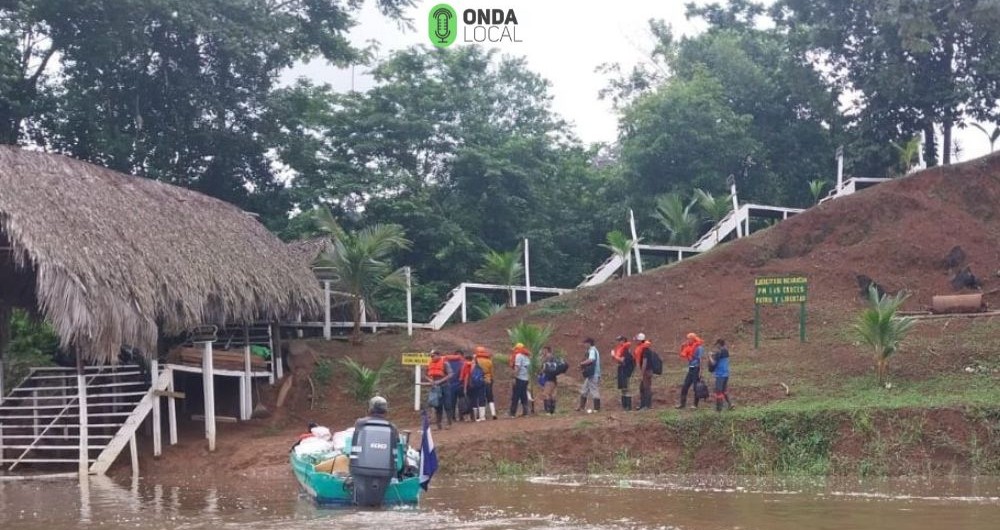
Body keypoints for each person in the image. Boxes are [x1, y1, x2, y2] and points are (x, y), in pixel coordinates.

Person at [424, 349, 454, 429]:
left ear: (438, 355)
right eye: (431, 356)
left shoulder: (445, 363)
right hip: (435, 387)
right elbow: (425, 374)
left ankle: (449, 423)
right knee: (437, 405)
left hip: (445, 386)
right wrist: (430, 380)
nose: (432, 358)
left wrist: (440, 380)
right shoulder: (430, 364)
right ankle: (439, 424)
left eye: (433, 356)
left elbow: (451, 374)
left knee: (447, 405)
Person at [678, 332, 704, 409]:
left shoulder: (699, 348)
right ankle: (682, 404)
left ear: (693, 339)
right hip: (691, 368)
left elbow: (701, 359)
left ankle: (695, 405)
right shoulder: (689, 347)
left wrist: (700, 371)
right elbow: (683, 354)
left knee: (696, 387)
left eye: (688, 339)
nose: (687, 340)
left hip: (696, 368)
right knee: (685, 386)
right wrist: (682, 347)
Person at [709, 338, 734, 412]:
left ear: (719, 344)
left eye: (717, 345)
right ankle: (730, 404)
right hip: (726, 374)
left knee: (718, 391)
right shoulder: (726, 350)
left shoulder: (719, 352)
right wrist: (713, 354)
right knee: (724, 390)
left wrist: (710, 356)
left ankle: (719, 409)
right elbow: (719, 356)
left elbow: (713, 363)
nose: (717, 347)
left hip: (720, 375)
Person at [577, 338, 601, 413]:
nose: (584, 345)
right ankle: (581, 407)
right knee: (584, 390)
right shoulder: (593, 350)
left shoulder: (592, 350)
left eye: (585, 343)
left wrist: (582, 363)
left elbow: (591, 359)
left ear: (589, 343)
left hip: (593, 374)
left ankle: (597, 408)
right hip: (591, 374)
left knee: (594, 390)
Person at [611, 335, 634, 411]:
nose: (618, 342)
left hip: (626, 370)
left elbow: (622, 360)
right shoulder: (621, 349)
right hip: (621, 370)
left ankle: (628, 406)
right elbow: (619, 360)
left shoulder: (626, 350)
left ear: (624, 340)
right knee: (623, 388)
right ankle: (624, 406)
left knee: (626, 387)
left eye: (620, 340)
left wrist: (614, 356)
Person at [474, 346, 497, 420]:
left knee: (481, 397)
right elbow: (492, 372)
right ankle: (493, 413)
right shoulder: (489, 361)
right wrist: (492, 379)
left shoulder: (475, 360)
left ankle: (482, 416)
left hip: (479, 380)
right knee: (490, 397)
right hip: (488, 380)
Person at [509, 343, 532, 417]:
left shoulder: (518, 356)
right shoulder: (526, 356)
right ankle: (526, 413)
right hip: (526, 379)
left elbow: (517, 368)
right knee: (523, 395)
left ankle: (512, 413)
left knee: (515, 395)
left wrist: (514, 377)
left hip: (519, 378)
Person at [633, 333, 654, 410]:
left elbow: (644, 362)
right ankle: (643, 405)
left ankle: (647, 406)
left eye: (637, 340)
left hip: (647, 371)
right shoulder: (643, 348)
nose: (636, 342)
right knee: (642, 388)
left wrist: (642, 372)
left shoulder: (645, 350)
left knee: (646, 388)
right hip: (645, 371)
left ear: (641, 340)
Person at [444, 350, 465, 423]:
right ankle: (461, 416)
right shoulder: (463, 362)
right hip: (460, 385)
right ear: (462, 355)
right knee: (461, 400)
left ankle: (452, 417)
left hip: (450, 385)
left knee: (452, 402)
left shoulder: (448, 362)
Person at [539, 346, 559, 415]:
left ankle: (548, 411)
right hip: (553, 377)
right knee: (551, 394)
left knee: (546, 394)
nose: (543, 352)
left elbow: (543, 367)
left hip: (548, 378)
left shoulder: (548, 357)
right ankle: (552, 411)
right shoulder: (553, 358)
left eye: (544, 350)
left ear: (547, 350)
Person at [458, 350, 476, 421]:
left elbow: (466, 376)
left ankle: (464, 417)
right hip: (473, 385)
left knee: (464, 401)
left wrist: (465, 388)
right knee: (471, 400)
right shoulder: (473, 364)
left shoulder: (465, 365)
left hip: (466, 385)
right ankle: (473, 417)